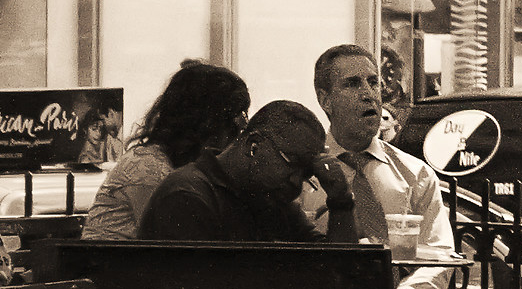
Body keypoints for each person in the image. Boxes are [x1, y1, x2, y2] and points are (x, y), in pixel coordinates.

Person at [301, 43, 519, 289]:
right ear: (325, 99)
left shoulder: (413, 173)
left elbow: (441, 250)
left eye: (373, 82)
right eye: (352, 83)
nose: (369, 94)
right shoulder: (304, 168)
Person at [137, 101, 361, 245]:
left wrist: (340, 201)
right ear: (253, 145)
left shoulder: (268, 198)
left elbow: (338, 274)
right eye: (292, 164)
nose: (296, 183)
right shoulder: (188, 197)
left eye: (305, 174)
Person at [81, 62, 251, 241]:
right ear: (208, 126)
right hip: (110, 266)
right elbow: (178, 239)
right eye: (232, 126)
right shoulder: (148, 168)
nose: (236, 137)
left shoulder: (160, 161)